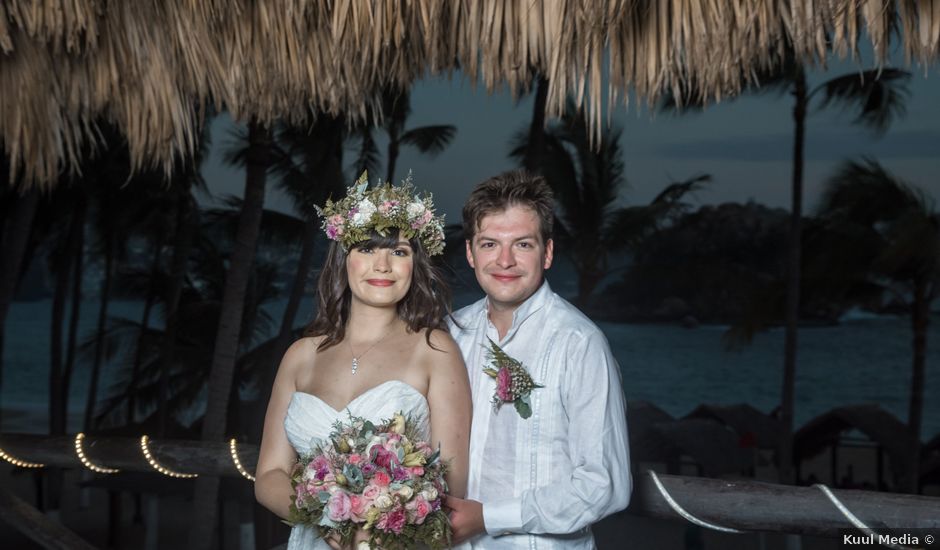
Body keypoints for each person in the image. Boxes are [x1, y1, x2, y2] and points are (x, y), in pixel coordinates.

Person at [254, 175, 472, 550]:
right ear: (344, 259)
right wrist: (327, 516)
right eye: (367, 250)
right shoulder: (300, 356)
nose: (382, 265)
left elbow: (451, 483)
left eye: (399, 252)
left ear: (414, 265)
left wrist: (379, 527)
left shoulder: (435, 349)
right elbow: (269, 475)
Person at [446, 170, 631, 549]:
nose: (505, 260)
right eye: (489, 244)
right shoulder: (451, 334)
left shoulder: (579, 343)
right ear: (470, 252)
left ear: (547, 253)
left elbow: (605, 485)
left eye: (523, 245)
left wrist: (488, 517)